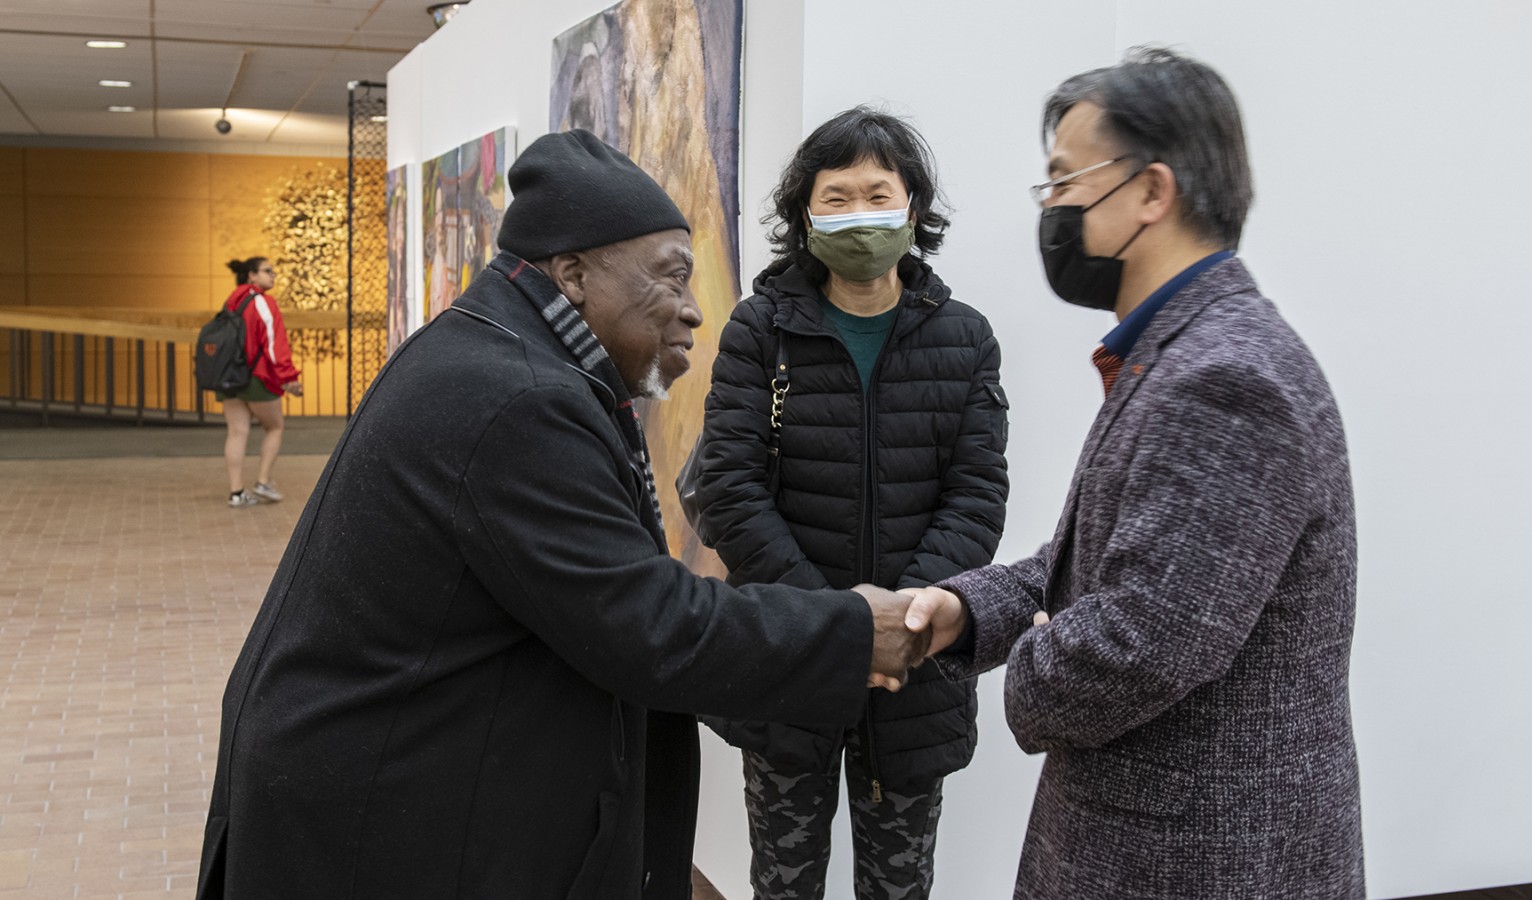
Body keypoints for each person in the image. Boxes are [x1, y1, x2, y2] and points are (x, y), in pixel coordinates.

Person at [197, 130, 930, 900]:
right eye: (672, 278)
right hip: (377, 814)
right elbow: (647, 623)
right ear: (575, 274)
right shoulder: (519, 399)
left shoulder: (496, 351)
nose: (691, 312)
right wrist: (853, 630)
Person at [901, 48, 1365, 898]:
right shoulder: (1173, 355)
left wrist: (1032, 662)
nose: (1052, 209)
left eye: (1064, 181)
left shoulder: (1226, 378)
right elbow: (1090, 563)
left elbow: (1141, 641)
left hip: (1194, 860)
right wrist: (964, 611)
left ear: (1151, 192)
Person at [692, 107, 1009, 899]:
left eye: (877, 193)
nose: (858, 214)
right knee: (783, 881)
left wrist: (898, 626)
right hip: (787, 656)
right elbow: (729, 492)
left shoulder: (964, 339)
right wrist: (836, 628)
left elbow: (975, 498)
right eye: (835, 197)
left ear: (913, 207)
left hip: (916, 669)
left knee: (899, 887)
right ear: (804, 213)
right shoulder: (759, 331)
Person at [216, 257, 302, 508]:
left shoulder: (231, 302)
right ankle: (263, 481)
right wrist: (288, 378)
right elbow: (274, 345)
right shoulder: (263, 303)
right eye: (267, 271)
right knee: (274, 427)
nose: (273, 275)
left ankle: (236, 492)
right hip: (257, 377)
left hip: (230, 377)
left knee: (236, 432)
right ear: (252, 276)